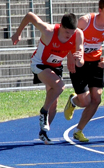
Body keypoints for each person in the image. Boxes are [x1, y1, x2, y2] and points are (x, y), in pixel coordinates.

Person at [12, 12, 84, 144]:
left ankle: (43, 132)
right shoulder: (48, 30)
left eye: (71, 33)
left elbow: (81, 62)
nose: (69, 36)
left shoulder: (78, 34)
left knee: (54, 104)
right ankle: (43, 111)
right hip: (39, 64)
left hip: (56, 66)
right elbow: (29, 15)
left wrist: (78, 59)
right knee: (60, 86)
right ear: (61, 26)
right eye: (67, 32)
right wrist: (18, 33)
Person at [62, 0, 104, 142]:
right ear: (100, 10)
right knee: (86, 101)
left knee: (97, 98)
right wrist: (69, 57)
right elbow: (69, 37)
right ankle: (74, 101)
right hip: (78, 62)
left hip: (96, 63)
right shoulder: (86, 21)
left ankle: (79, 130)